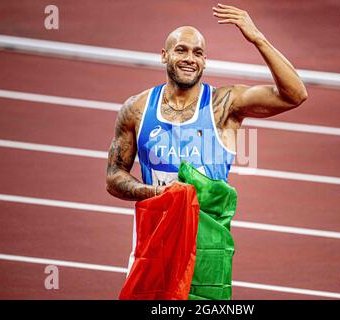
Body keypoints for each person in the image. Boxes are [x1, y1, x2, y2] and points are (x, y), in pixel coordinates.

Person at [106, 3, 307, 274]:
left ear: (204, 61)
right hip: (152, 247)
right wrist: (157, 193)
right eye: (181, 50)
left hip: (206, 253)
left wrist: (257, 37)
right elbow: (114, 176)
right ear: (164, 56)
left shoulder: (224, 105)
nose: (190, 58)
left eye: (198, 53)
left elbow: (295, 94)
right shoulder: (137, 109)